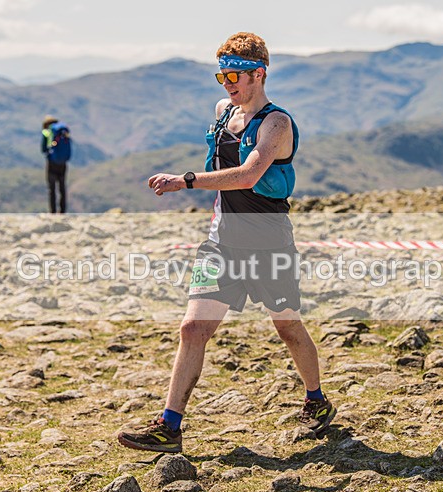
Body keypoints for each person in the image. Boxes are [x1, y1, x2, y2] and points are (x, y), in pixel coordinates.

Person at [117, 32, 336, 453]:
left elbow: (249, 176)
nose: (228, 84)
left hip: (269, 243)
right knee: (192, 327)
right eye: (222, 77)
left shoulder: (277, 123)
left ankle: (316, 400)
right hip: (222, 242)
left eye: (235, 75)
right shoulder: (223, 112)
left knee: (287, 327)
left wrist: (186, 181)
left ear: (260, 74)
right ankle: (170, 427)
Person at [41, 115, 71, 214]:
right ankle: (62, 211)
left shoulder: (47, 132)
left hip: (52, 163)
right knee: (62, 187)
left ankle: (53, 211)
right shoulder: (63, 132)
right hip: (63, 163)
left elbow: (44, 149)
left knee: (52, 188)